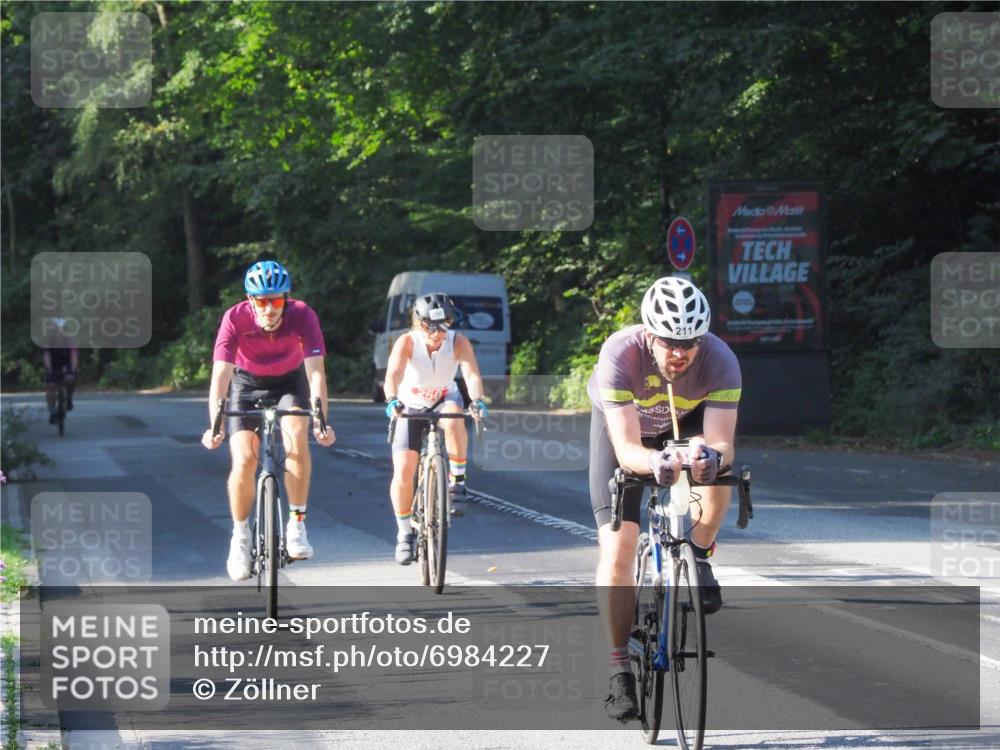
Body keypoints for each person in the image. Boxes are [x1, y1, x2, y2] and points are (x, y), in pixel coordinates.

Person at [587, 276, 741, 722]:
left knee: (716, 475)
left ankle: (697, 553)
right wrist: (652, 463)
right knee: (617, 546)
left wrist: (711, 456)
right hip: (627, 431)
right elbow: (627, 449)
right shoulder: (620, 354)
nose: (680, 352)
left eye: (690, 342)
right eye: (670, 341)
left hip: (686, 421)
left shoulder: (721, 360)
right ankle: (619, 669)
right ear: (650, 335)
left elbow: (723, 443)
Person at [201, 260, 335, 581]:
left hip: (290, 383)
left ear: (285, 299)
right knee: (245, 460)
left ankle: (297, 525)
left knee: (297, 436)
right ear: (250, 300)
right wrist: (215, 424)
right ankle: (240, 537)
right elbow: (220, 377)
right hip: (245, 385)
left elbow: (316, 373)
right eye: (262, 301)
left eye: (276, 301)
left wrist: (321, 420)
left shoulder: (303, 315)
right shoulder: (234, 318)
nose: (270, 308)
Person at [382, 293, 487, 564]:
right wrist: (392, 400)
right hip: (411, 405)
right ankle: (405, 534)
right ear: (418, 324)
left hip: (443, 400)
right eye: (430, 325)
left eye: (444, 325)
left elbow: (472, 374)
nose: (437, 333)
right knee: (404, 468)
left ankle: (458, 483)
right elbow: (392, 375)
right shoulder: (407, 342)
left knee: (454, 414)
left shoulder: (458, 342)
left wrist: (476, 400)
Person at [43, 343, 78, 422]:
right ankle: (52, 412)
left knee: (70, 378)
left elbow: (74, 355)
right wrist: (48, 368)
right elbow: (46, 355)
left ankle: (69, 397)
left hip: (67, 365)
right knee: (50, 386)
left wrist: (73, 370)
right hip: (53, 365)